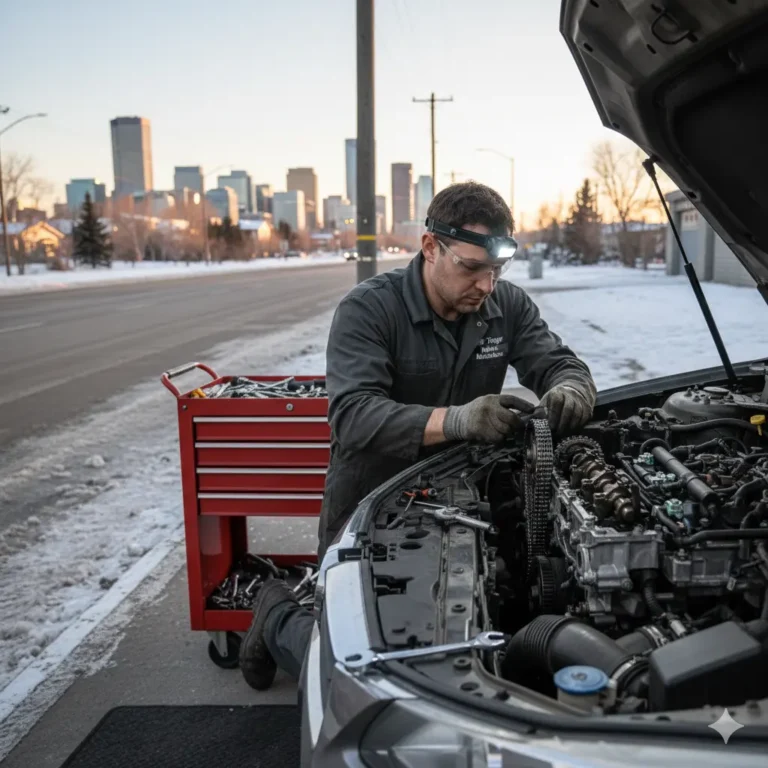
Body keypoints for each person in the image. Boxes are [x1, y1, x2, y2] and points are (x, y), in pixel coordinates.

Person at [238, 181, 596, 690]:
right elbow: (353, 416)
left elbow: (558, 363)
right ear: (431, 247)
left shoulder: (506, 307)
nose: (486, 285)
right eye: (471, 268)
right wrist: (456, 420)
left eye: (496, 271)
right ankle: (276, 614)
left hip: (467, 494)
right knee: (351, 674)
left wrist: (572, 388)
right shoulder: (368, 310)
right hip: (372, 499)